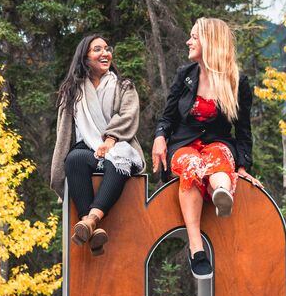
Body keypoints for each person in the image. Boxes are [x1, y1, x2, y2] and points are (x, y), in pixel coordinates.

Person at [152, 17, 257, 279]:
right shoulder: (185, 76)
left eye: (194, 37)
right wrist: (160, 137)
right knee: (192, 165)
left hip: (218, 143)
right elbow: (167, 118)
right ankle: (197, 250)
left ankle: (222, 191)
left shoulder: (236, 82)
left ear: (210, 41)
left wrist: (242, 166)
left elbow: (243, 130)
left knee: (218, 159)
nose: (188, 41)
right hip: (184, 144)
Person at [49, 35, 145, 255]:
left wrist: (110, 140)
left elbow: (128, 116)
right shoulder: (73, 91)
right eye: (97, 49)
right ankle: (90, 228)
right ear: (85, 57)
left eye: (107, 48)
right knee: (73, 159)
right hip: (88, 150)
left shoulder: (124, 86)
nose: (105, 53)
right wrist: (57, 172)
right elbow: (64, 133)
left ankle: (92, 219)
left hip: (119, 146)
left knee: (118, 162)